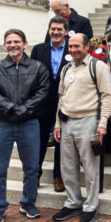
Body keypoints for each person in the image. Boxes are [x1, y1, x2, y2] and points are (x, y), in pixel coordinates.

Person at [0, 29, 49, 222]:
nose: (13, 45)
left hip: (29, 123)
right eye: (9, 42)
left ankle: (28, 203)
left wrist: (24, 110)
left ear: (25, 44)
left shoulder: (38, 67)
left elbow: (43, 92)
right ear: (4, 45)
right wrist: (13, 108)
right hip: (2, 123)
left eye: (17, 41)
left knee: (31, 167)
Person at [52, 33, 111, 222]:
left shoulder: (98, 67)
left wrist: (102, 123)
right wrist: (57, 124)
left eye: (77, 46)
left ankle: (90, 205)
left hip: (89, 122)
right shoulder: (66, 68)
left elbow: (107, 96)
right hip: (67, 122)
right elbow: (61, 97)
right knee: (67, 167)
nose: (73, 50)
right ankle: (73, 202)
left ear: (87, 47)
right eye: (70, 47)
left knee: (90, 167)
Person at [31, 17, 69, 193]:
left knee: (62, 141)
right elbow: (31, 75)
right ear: (49, 30)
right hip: (43, 102)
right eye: (53, 29)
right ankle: (34, 174)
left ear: (66, 32)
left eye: (59, 29)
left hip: (65, 102)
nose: (56, 32)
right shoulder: (39, 49)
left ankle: (58, 176)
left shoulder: (73, 48)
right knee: (39, 140)